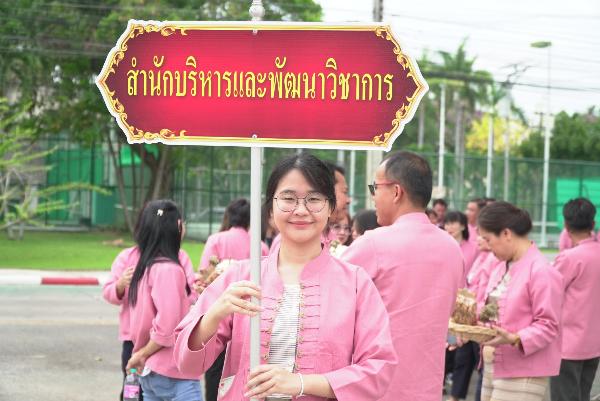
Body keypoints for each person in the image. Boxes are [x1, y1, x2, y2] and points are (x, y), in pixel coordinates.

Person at [174, 153, 397, 400]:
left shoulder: (355, 283)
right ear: (270, 208)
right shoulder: (241, 276)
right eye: (288, 198)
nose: (300, 210)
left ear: (331, 208)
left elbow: (378, 369)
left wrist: (301, 383)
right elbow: (187, 364)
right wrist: (214, 315)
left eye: (314, 199)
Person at [342, 151, 463, 401]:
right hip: (427, 388)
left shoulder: (373, 244)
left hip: (376, 388)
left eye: (375, 188)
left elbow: (329, 299)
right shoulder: (452, 247)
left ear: (396, 192)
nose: (373, 197)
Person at [102, 205, 197, 401]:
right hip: (153, 354)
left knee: (139, 391)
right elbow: (167, 324)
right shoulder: (162, 266)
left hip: (147, 353)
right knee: (131, 391)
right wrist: (120, 285)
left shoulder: (162, 263)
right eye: (180, 223)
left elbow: (189, 294)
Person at [476, 201, 562, 401]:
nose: (487, 246)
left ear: (506, 233)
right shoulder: (502, 266)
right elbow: (492, 313)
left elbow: (549, 325)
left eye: (488, 239)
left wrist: (515, 338)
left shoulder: (541, 270)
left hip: (523, 372)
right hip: (494, 366)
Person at [197, 198, 269, 401]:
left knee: (215, 372)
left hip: (221, 315)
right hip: (251, 317)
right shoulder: (260, 246)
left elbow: (204, 275)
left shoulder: (216, 240)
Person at [551, 198, 600, 401]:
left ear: (566, 225)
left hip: (568, 345)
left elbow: (549, 293)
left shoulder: (569, 258)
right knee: (583, 395)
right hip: (594, 342)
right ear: (593, 223)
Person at [199, 198, 269, 272]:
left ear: (228, 216)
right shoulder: (261, 247)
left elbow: (204, 272)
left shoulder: (215, 240)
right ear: (250, 219)